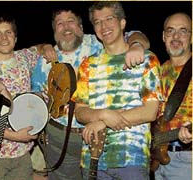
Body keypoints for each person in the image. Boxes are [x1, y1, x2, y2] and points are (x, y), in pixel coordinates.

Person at [31, 6, 150, 180]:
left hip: (100, 135)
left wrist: (137, 45)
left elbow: (137, 35)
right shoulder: (45, 60)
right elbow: (36, 99)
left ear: (80, 26)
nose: (66, 27)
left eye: (71, 21)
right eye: (60, 23)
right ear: (54, 30)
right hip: (59, 138)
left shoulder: (100, 42)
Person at [72, 2, 162, 180]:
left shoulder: (147, 60)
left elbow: (150, 111)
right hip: (93, 158)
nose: (103, 26)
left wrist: (103, 122)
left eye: (109, 19)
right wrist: (104, 114)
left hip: (131, 159)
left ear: (122, 23)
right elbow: (80, 112)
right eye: (97, 22)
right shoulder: (87, 65)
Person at [0, 15, 52, 180]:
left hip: (23, 153)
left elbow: (39, 48)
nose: (4, 38)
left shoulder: (23, 57)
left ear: (15, 37)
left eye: (8, 32)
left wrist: (46, 47)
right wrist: (14, 136)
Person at [153, 12, 192, 180]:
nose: (176, 36)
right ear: (163, 36)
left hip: (188, 160)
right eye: (170, 31)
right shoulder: (158, 70)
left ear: (191, 37)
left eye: (183, 31)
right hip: (157, 159)